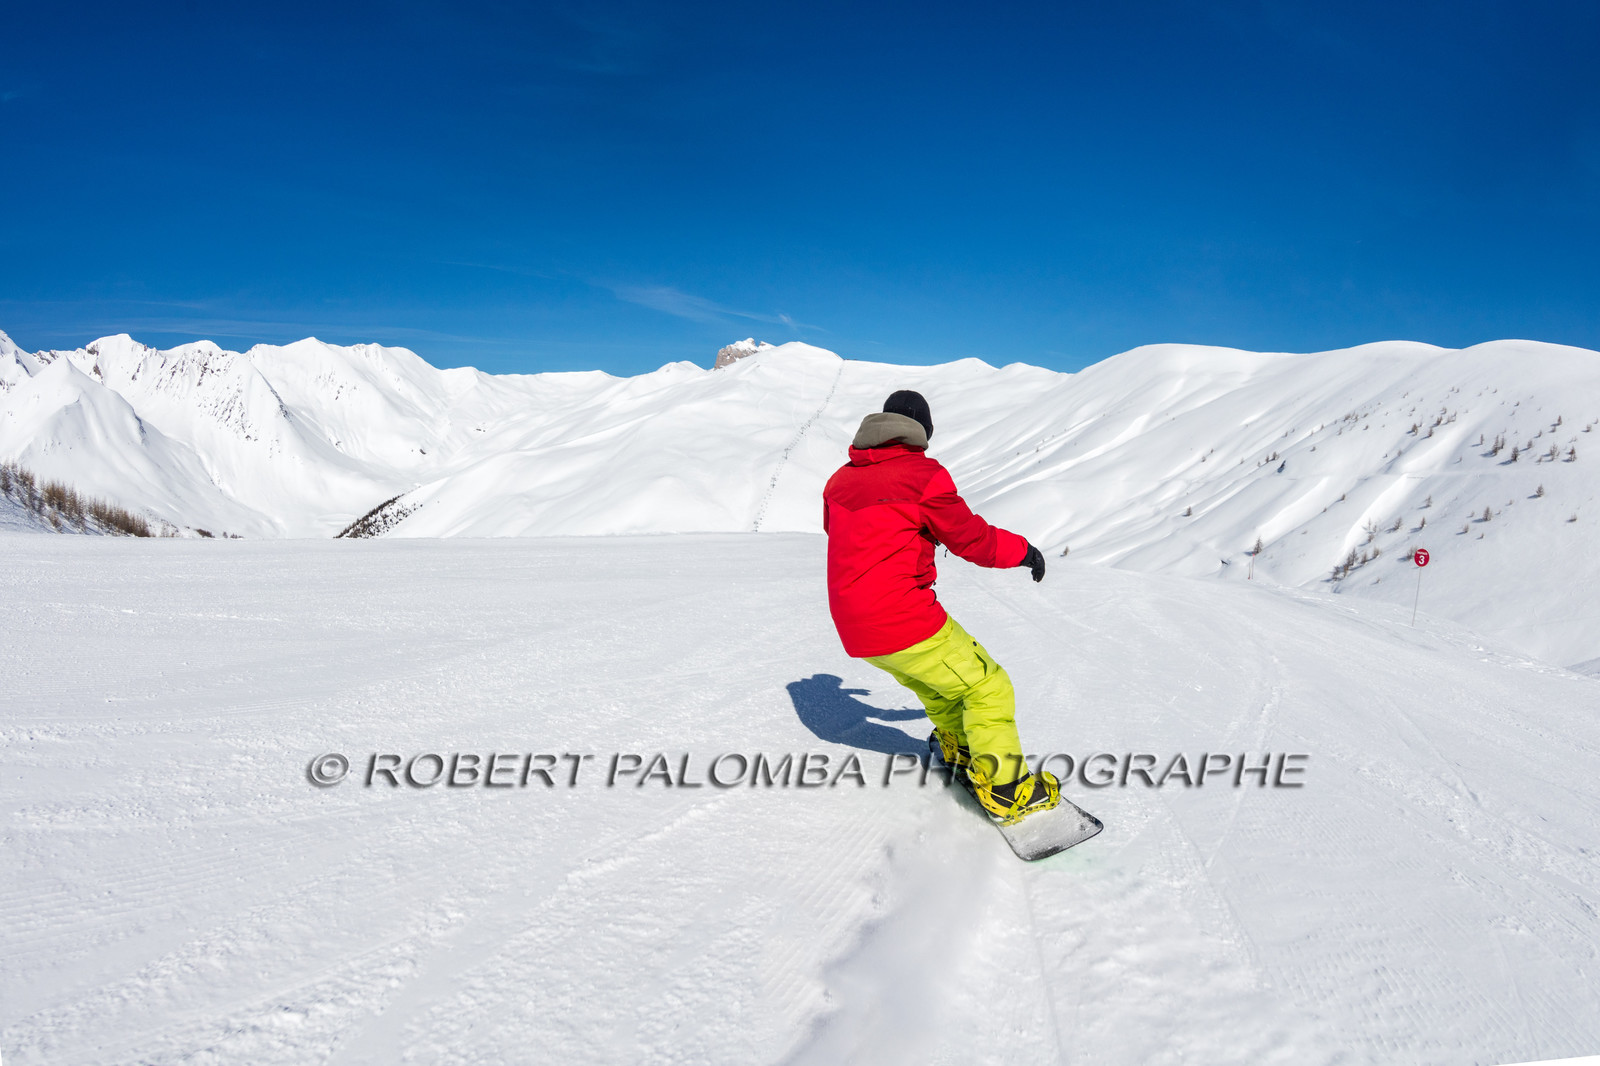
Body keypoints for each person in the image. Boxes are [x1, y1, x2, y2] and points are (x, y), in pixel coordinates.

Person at [822, 389, 1060, 823]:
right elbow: (971, 539)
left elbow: (842, 531)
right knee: (987, 688)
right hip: (900, 615)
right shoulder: (921, 474)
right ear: (922, 432)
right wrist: (1023, 551)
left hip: (854, 625)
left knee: (941, 686)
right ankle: (1007, 789)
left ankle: (959, 745)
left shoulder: (840, 478)